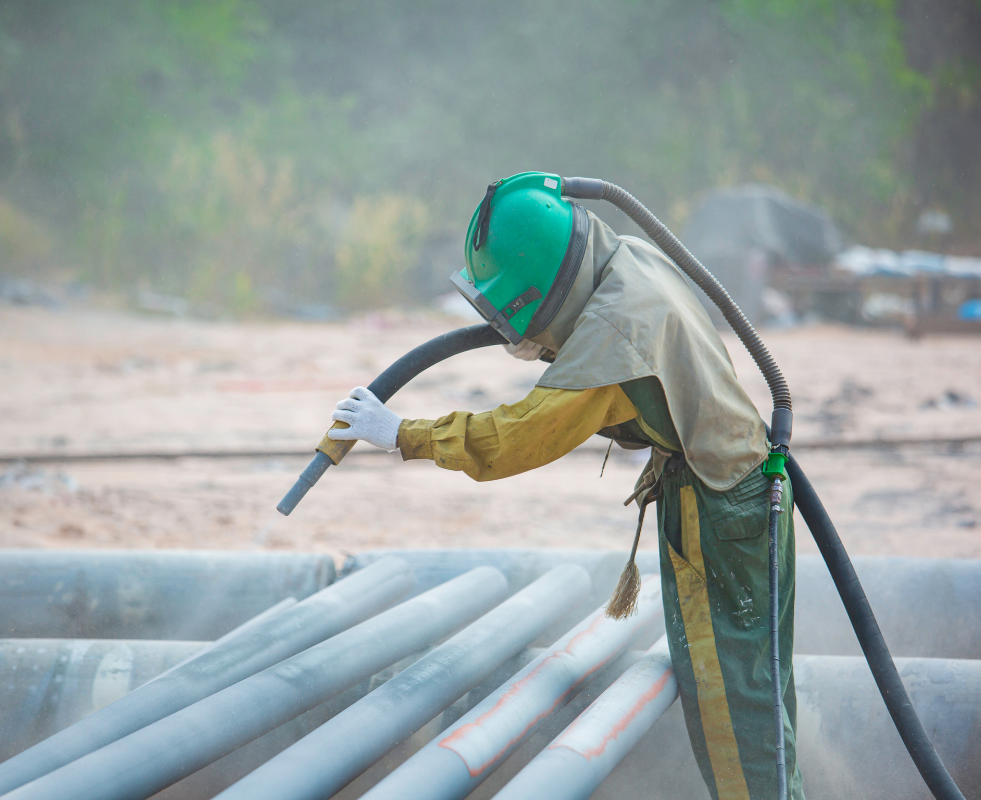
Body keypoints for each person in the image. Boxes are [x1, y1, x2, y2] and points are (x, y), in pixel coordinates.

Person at [327, 172, 803, 800]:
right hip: (745, 494)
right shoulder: (628, 259)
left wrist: (402, 434)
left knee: (732, 710)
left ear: (539, 287)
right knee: (757, 693)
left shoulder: (612, 337)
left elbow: (518, 438)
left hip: (718, 510)